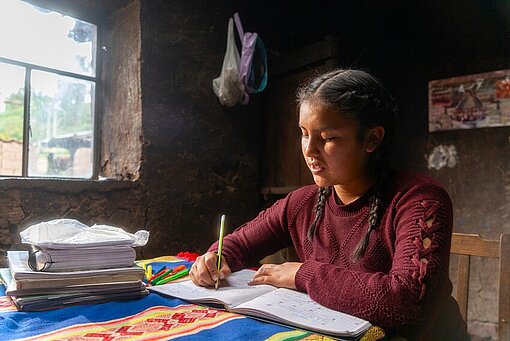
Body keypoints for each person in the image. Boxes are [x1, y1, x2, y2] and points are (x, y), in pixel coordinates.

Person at [190, 68, 468, 340]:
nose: (309, 151)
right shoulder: (303, 203)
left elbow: (407, 304)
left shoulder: (419, 200)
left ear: (372, 138)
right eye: (303, 133)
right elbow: (239, 244)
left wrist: (303, 273)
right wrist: (217, 258)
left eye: (328, 138)